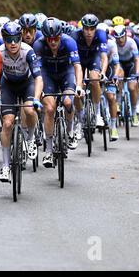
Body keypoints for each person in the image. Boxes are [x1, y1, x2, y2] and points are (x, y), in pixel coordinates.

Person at [0, 22, 43, 182]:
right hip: (8, 86)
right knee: (7, 124)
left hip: (27, 84)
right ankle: (5, 166)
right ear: (4, 40)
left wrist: (37, 99)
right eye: (9, 39)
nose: (13, 43)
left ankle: (31, 138)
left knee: (29, 110)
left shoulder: (28, 51)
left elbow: (38, 78)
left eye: (16, 39)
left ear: (20, 38)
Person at [33, 17, 83, 167]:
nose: (52, 42)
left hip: (66, 73)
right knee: (49, 108)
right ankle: (48, 151)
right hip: (48, 76)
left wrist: (79, 86)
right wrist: (39, 91)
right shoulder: (39, 45)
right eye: (49, 39)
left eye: (55, 38)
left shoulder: (69, 42)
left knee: (68, 101)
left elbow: (77, 67)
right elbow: (38, 72)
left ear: (60, 36)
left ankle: (70, 131)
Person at [113, 25, 139, 126]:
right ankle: (119, 103)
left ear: (125, 35)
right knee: (119, 77)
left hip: (131, 64)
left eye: (122, 37)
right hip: (119, 64)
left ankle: (134, 114)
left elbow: (137, 59)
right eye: (117, 38)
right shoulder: (113, 43)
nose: (120, 40)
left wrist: (137, 72)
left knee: (132, 88)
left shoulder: (131, 42)